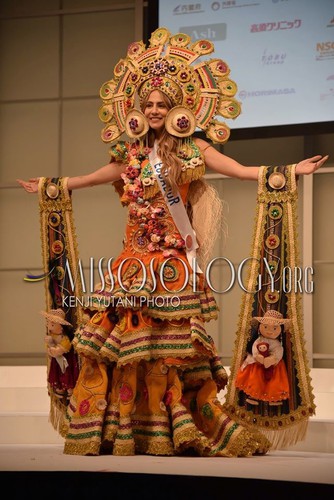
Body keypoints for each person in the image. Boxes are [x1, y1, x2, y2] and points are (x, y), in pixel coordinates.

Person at [17, 27, 328, 458]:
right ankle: (129, 429)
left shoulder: (192, 148)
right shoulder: (130, 155)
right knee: (125, 346)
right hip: (133, 263)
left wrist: (291, 169)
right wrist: (54, 185)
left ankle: (175, 422)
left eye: (163, 103)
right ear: (138, 110)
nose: (156, 109)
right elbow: (91, 178)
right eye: (149, 104)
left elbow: (237, 169)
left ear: (179, 106)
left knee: (170, 348)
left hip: (171, 262)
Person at [235, 310, 290, 406]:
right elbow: (254, 348)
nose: (269, 331)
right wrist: (257, 356)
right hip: (259, 363)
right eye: (265, 327)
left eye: (274, 328)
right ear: (260, 327)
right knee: (256, 381)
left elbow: (279, 351)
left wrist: (273, 359)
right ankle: (253, 396)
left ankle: (274, 399)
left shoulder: (277, 343)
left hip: (273, 365)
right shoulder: (259, 340)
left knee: (274, 382)